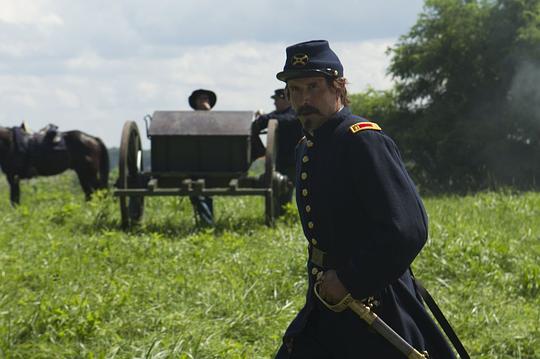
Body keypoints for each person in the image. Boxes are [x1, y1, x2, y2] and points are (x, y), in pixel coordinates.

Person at [274, 40, 456, 358]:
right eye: (295, 90)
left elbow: (407, 229)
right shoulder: (307, 145)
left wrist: (349, 280)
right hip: (326, 297)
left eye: (313, 87)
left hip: (375, 298)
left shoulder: (362, 140)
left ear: (338, 88)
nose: (304, 100)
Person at [251, 89, 302, 213]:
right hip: (281, 160)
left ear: (285, 99)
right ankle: (281, 215)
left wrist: (265, 117)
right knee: (280, 190)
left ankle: (286, 215)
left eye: (276, 100)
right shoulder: (278, 114)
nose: (274, 103)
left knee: (286, 188)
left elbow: (285, 120)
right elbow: (261, 122)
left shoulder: (295, 113)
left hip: (295, 160)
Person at [188, 89, 217, 226]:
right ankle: (207, 224)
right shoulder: (188, 120)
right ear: (195, 103)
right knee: (198, 194)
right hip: (192, 163)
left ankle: (207, 224)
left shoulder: (217, 119)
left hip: (214, 164)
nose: (204, 101)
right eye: (200, 99)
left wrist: (208, 113)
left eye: (206, 99)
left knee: (204, 194)